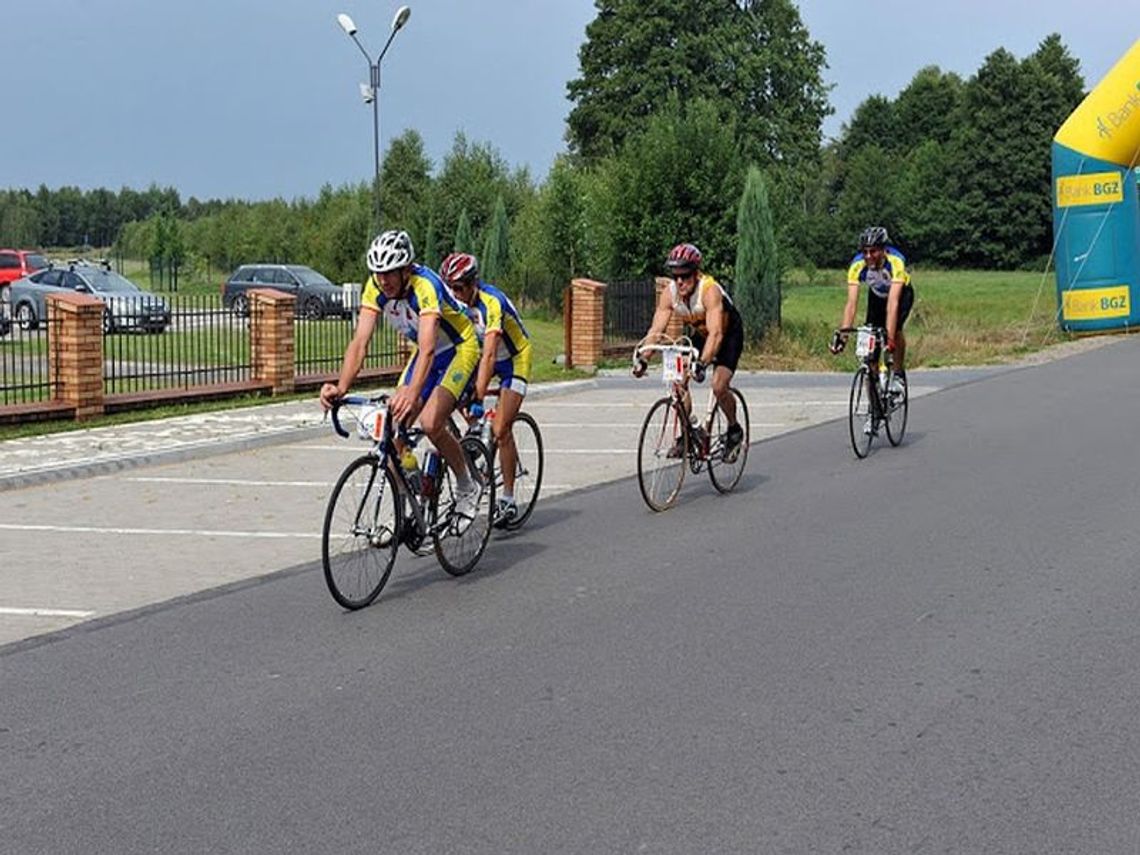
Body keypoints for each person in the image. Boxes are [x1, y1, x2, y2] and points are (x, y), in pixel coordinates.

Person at [319, 229, 482, 522]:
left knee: (431, 422)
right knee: (391, 428)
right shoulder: (376, 288)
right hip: (427, 352)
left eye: (390, 273)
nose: (384, 281)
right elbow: (360, 343)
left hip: (458, 349)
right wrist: (340, 387)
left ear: (406, 270)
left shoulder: (426, 286)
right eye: (378, 273)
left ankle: (467, 484)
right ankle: (407, 504)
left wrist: (412, 392)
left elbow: (430, 349)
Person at [439, 252, 533, 527]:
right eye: (449, 289)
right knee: (458, 404)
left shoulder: (492, 302)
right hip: (485, 358)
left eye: (458, 288)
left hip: (514, 359)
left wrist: (479, 395)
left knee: (502, 428)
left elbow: (490, 353)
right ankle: (479, 448)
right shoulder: (456, 306)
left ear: (472, 284)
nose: (454, 295)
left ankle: (508, 498)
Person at [632, 242, 744, 459]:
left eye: (685, 275)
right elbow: (656, 329)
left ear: (696, 273)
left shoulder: (709, 291)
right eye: (676, 276)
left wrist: (702, 363)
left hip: (727, 334)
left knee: (719, 386)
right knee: (678, 382)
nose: (680, 281)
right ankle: (689, 433)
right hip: (702, 336)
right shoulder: (670, 294)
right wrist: (643, 357)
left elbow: (717, 334)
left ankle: (734, 429)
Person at [829, 226, 915, 394]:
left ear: (884, 250)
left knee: (895, 330)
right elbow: (851, 303)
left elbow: (893, 303)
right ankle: (874, 410)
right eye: (865, 252)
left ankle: (897, 374)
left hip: (901, 295)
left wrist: (889, 340)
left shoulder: (896, 261)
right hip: (876, 296)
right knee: (870, 350)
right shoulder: (857, 265)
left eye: (873, 251)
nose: (868, 256)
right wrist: (843, 336)